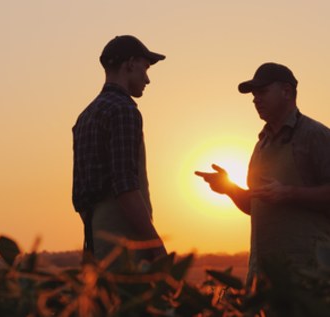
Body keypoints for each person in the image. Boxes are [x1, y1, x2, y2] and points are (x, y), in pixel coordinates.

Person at [195, 62, 330, 282]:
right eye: (254, 94)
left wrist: (288, 193)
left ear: (287, 91)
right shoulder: (261, 145)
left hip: (308, 278)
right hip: (263, 278)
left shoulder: (315, 135)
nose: (255, 99)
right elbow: (256, 206)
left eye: (263, 92)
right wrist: (229, 188)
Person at [72, 35, 167, 268]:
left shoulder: (84, 117)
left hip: (95, 238)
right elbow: (125, 187)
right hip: (126, 242)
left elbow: (79, 198)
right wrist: (156, 247)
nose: (147, 79)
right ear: (130, 64)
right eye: (145, 68)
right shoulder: (124, 111)